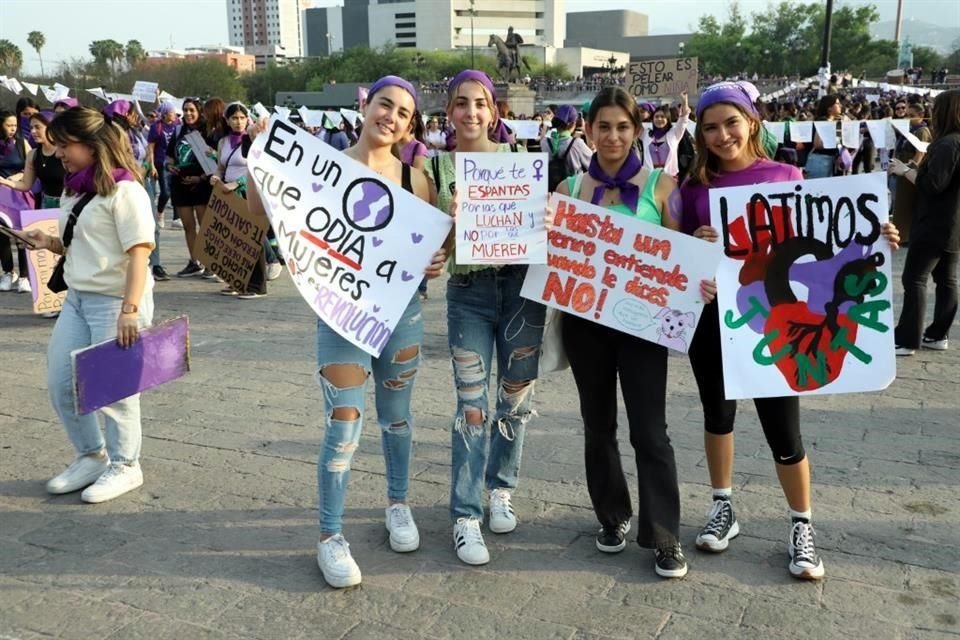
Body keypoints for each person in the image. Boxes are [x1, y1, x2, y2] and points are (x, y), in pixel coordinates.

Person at [679, 82, 900, 580]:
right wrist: (692, 242)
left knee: (785, 429)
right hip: (714, 321)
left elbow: (829, 236)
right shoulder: (694, 187)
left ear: (752, 122)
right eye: (710, 127)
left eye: (730, 123)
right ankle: (723, 505)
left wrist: (879, 237)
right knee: (717, 415)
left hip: (779, 324)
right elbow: (678, 258)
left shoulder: (787, 174)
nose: (721, 135)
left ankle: (802, 524)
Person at [274, 76, 446, 589]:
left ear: (410, 125)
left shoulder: (418, 180)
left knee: (398, 420)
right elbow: (279, 220)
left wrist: (435, 261)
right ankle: (330, 536)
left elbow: (430, 249)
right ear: (365, 106)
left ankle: (398, 504)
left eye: (402, 113)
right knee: (343, 425)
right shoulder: (322, 169)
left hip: (403, 316)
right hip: (341, 317)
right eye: (383, 104)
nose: (390, 117)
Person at [555, 86, 715, 578]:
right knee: (597, 424)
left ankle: (664, 534)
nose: (612, 136)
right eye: (603, 126)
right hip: (586, 325)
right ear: (588, 131)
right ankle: (612, 515)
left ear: (637, 132)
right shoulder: (567, 191)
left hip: (643, 328)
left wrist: (701, 247)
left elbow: (681, 259)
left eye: (622, 127)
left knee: (650, 430)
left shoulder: (662, 190)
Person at [427, 70, 545, 566]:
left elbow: (543, 229)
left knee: (515, 401)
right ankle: (465, 514)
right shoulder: (435, 168)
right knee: (471, 406)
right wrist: (448, 233)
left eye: (480, 103)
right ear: (449, 112)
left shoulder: (522, 162)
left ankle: (502, 488)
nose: (471, 112)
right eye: (461, 103)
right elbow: (433, 248)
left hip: (521, 291)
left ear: (494, 111)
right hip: (469, 292)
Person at [23, 107, 155, 503]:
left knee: (113, 389)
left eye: (63, 144)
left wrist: (129, 310)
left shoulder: (126, 191)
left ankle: (126, 464)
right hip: (77, 300)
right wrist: (48, 243)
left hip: (116, 302)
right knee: (62, 384)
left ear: (90, 144)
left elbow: (139, 254)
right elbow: (82, 243)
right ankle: (91, 455)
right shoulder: (74, 188)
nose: (56, 150)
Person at [891, 89, 960, 356]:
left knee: (914, 279)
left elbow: (933, 185)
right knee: (947, 281)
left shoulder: (946, 144)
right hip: (953, 223)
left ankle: (908, 339)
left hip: (934, 223)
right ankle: (937, 334)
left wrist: (906, 171)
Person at [210, 102, 269, 299]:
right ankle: (236, 281)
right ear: (227, 120)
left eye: (242, 117)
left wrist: (238, 183)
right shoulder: (223, 142)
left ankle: (257, 285)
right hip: (227, 193)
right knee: (233, 238)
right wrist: (216, 177)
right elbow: (220, 166)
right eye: (234, 118)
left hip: (248, 191)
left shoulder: (253, 139)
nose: (238, 122)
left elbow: (259, 168)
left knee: (253, 238)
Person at [165, 98, 212, 278]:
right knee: (188, 226)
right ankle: (194, 261)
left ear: (199, 111)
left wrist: (199, 178)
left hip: (201, 184)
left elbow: (215, 160)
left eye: (192, 110)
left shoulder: (207, 132)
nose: (188, 113)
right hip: (180, 183)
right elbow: (169, 157)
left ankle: (209, 263)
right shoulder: (179, 131)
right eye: (185, 110)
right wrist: (170, 167)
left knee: (204, 225)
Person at [0, 109, 35, 293]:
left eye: (15, 125)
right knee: (2, 234)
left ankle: (24, 276)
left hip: (18, 192)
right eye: (8, 125)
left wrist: (19, 175)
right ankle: (7, 272)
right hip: (0, 195)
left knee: (21, 234)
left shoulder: (22, 144)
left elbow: (31, 168)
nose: (12, 129)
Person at [0, 111, 64, 209]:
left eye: (37, 127)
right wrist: (5, 182)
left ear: (51, 128)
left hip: (67, 203)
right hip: (46, 204)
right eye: (31, 128)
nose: (33, 131)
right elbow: (26, 184)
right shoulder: (33, 155)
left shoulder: (65, 151)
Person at [638, 95, 690, 177]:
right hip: (649, 177)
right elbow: (634, 121)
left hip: (670, 177)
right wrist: (632, 102)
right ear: (652, 119)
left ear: (667, 119)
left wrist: (684, 101)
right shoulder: (646, 134)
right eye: (656, 117)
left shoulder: (674, 133)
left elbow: (684, 118)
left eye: (662, 117)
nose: (659, 119)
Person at [147, 102, 178, 229]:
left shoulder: (178, 125)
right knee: (165, 192)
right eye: (172, 112)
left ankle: (177, 218)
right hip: (161, 163)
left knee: (176, 190)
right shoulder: (156, 127)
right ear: (165, 114)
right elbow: (150, 148)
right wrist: (152, 165)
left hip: (176, 162)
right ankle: (160, 213)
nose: (175, 115)